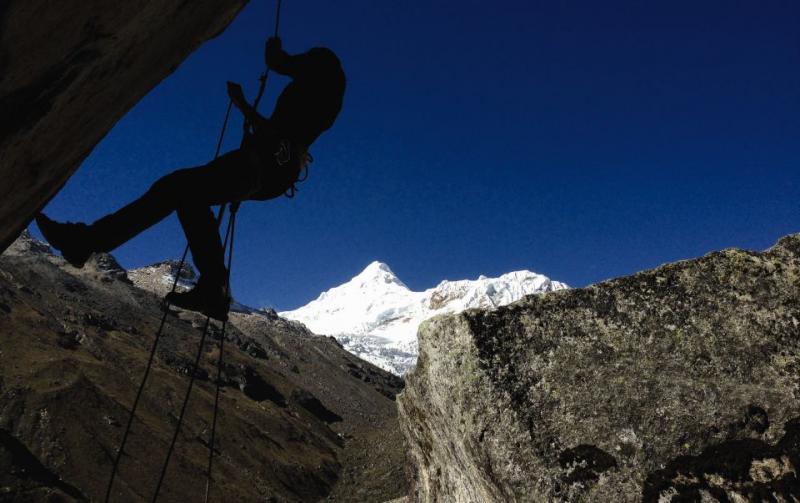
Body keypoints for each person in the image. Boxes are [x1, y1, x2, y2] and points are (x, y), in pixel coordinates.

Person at [36, 38, 346, 321]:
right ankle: (210, 285)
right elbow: (283, 80)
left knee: (178, 188)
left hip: (261, 164)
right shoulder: (324, 101)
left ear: (317, 68)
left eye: (309, 60)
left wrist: (243, 102)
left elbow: (279, 78)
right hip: (270, 172)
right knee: (184, 193)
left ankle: (88, 242)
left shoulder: (312, 91)